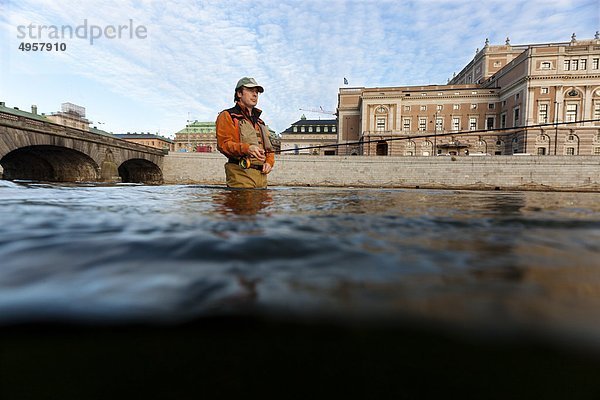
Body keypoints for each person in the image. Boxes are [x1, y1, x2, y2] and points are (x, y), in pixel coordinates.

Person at [215, 77, 275, 188]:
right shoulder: (227, 116)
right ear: (239, 93)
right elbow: (223, 145)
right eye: (250, 90)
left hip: (262, 179)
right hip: (240, 176)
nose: (255, 94)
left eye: (257, 92)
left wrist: (269, 162)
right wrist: (247, 149)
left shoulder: (261, 122)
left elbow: (269, 150)